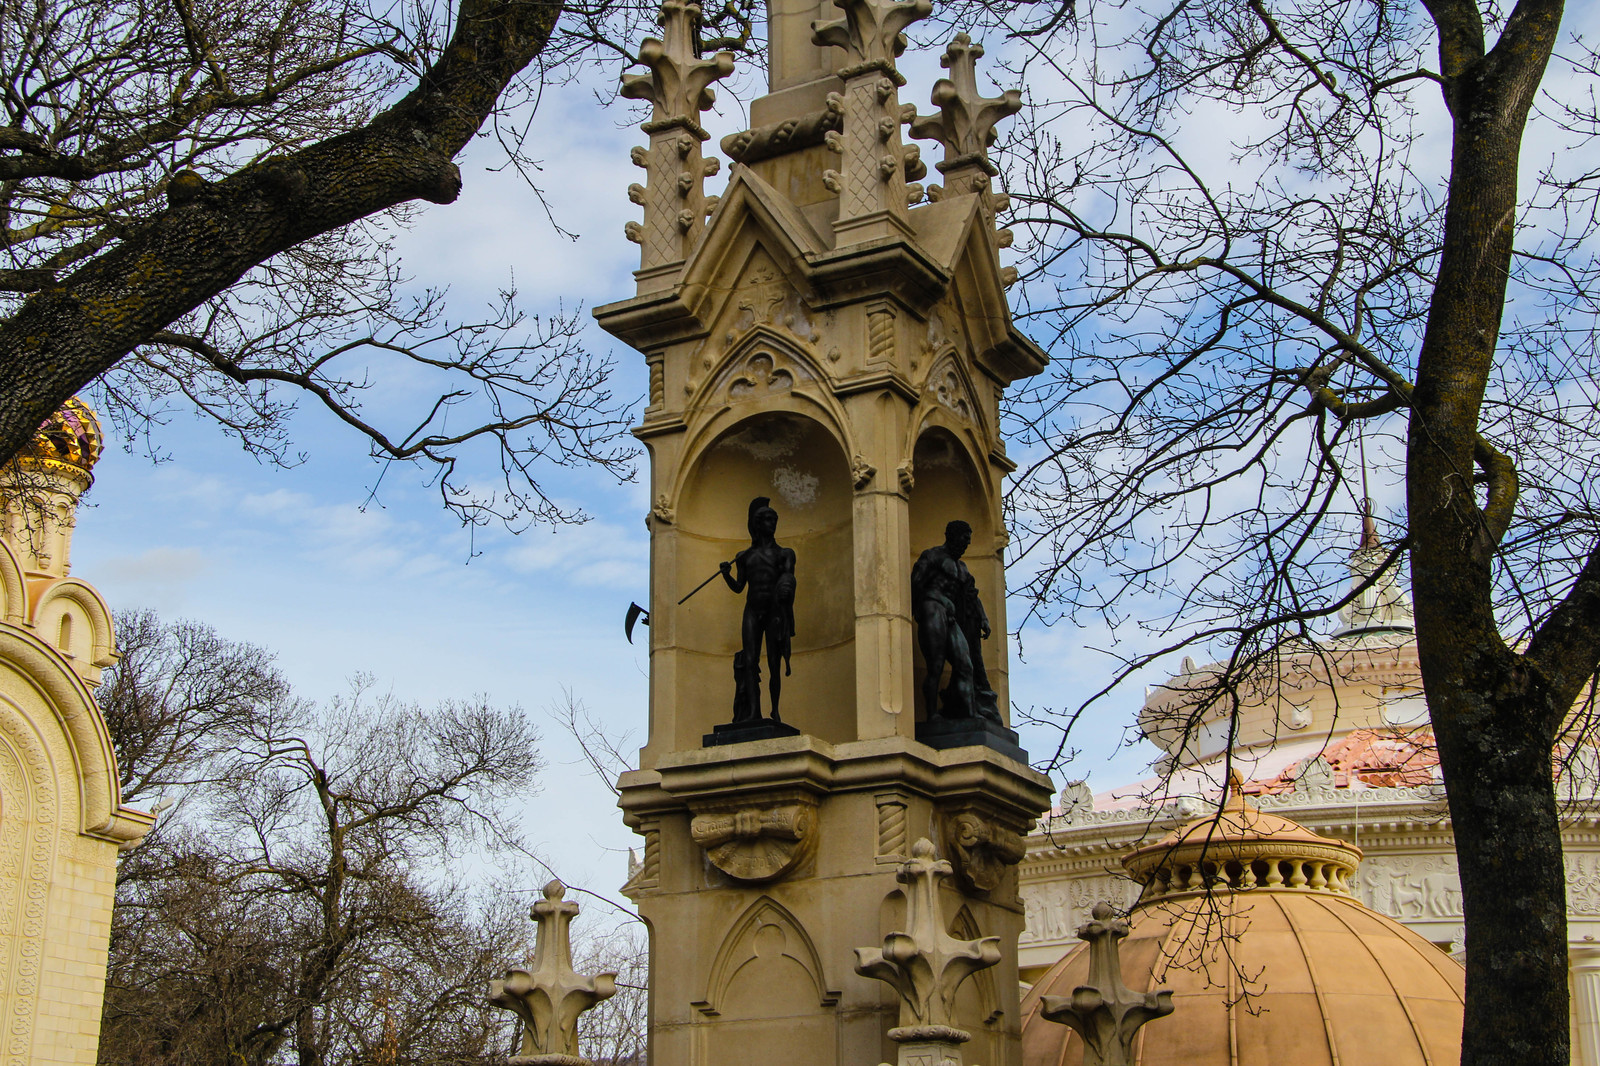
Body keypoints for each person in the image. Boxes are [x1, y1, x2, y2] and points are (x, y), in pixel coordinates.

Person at [912, 520, 1001, 722]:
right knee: (935, 666)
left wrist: (984, 618)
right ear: (951, 536)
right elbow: (916, 584)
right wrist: (930, 604)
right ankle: (932, 713)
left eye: (968, 541)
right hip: (933, 611)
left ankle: (970, 713)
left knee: (965, 664)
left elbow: (971, 595)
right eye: (963, 539)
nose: (966, 544)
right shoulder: (932, 556)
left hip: (951, 618)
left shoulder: (962, 568)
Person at [719, 497, 796, 722]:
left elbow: (789, 578)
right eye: (768, 520)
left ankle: (775, 710)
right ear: (758, 524)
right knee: (751, 661)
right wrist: (726, 575)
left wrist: (786, 589)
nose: (773, 524)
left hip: (774, 612)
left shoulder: (785, 553)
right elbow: (739, 587)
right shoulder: (744, 557)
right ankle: (754, 712)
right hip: (752, 610)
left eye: (775, 520)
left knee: (774, 662)